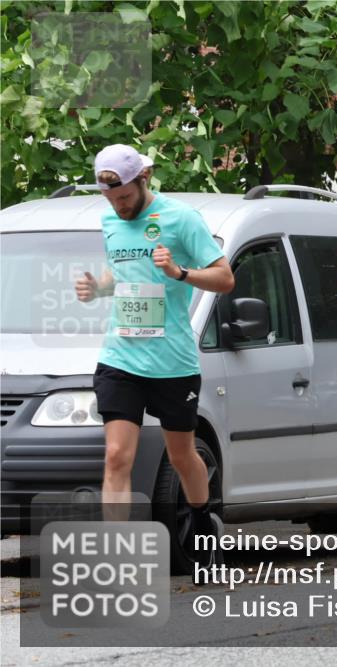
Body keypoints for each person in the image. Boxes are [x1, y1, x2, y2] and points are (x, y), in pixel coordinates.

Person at [75, 144, 235, 570]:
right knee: (116, 456)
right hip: (120, 356)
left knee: (182, 456)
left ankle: (203, 526)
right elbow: (123, 272)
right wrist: (99, 288)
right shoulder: (110, 218)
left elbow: (225, 278)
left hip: (172, 362)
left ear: (142, 180)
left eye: (124, 197)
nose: (118, 206)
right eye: (110, 199)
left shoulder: (181, 219)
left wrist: (180, 273)